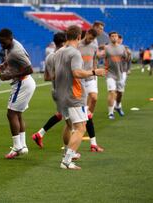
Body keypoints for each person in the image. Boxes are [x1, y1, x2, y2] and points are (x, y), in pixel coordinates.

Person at [54, 25, 105, 170]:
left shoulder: (59, 52)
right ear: (78, 37)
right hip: (74, 95)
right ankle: (67, 160)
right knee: (81, 127)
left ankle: (67, 154)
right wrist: (94, 72)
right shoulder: (75, 53)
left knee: (69, 125)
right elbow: (76, 73)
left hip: (62, 94)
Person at [0, 28, 36, 159]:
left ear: (10, 39)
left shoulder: (16, 51)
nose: (1, 45)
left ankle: (17, 146)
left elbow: (30, 69)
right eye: (0, 42)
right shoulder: (12, 45)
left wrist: (10, 75)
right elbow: (15, 59)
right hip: (25, 83)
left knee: (11, 113)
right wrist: (5, 64)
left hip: (22, 83)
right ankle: (22, 146)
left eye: (3, 42)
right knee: (17, 114)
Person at [105, 31, 127, 120]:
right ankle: (110, 112)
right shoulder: (106, 48)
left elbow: (126, 58)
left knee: (120, 93)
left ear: (118, 38)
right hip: (110, 73)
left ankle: (118, 106)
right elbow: (101, 56)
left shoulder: (122, 48)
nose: (114, 37)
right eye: (112, 36)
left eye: (116, 36)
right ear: (110, 38)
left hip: (120, 73)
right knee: (112, 92)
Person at [116, 34, 131, 115]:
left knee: (120, 89)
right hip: (113, 71)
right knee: (113, 90)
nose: (119, 40)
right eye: (118, 39)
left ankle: (118, 104)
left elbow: (129, 60)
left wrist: (129, 69)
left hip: (123, 71)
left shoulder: (126, 48)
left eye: (120, 39)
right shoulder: (111, 48)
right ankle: (115, 106)